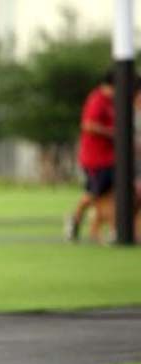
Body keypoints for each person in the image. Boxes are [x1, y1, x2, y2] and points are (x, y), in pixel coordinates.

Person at [67, 71, 117, 241]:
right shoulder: (97, 100)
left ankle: (106, 230)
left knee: (107, 194)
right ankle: (75, 219)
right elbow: (88, 125)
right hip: (95, 158)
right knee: (94, 193)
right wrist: (112, 133)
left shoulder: (112, 102)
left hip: (110, 157)